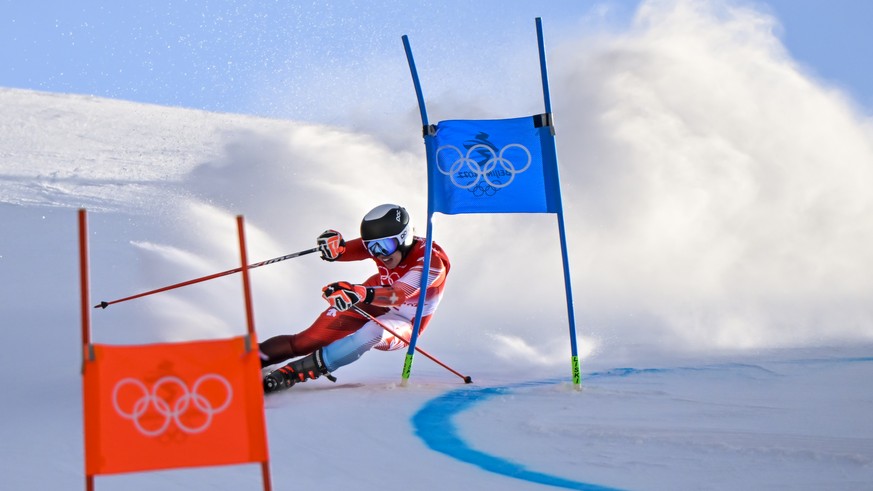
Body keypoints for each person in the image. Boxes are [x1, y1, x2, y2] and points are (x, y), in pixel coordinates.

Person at [259, 204, 451, 393]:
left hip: (405, 321)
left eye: (385, 246)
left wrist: (358, 292)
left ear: (405, 238)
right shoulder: (382, 247)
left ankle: (293, 373)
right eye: (372, 246)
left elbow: (397, 295)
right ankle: (252, 357)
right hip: (375, 299)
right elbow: (345, 250)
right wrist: (334, 250)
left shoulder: (432, 264)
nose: (379, 254)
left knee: (372, 332)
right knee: (307, 341)